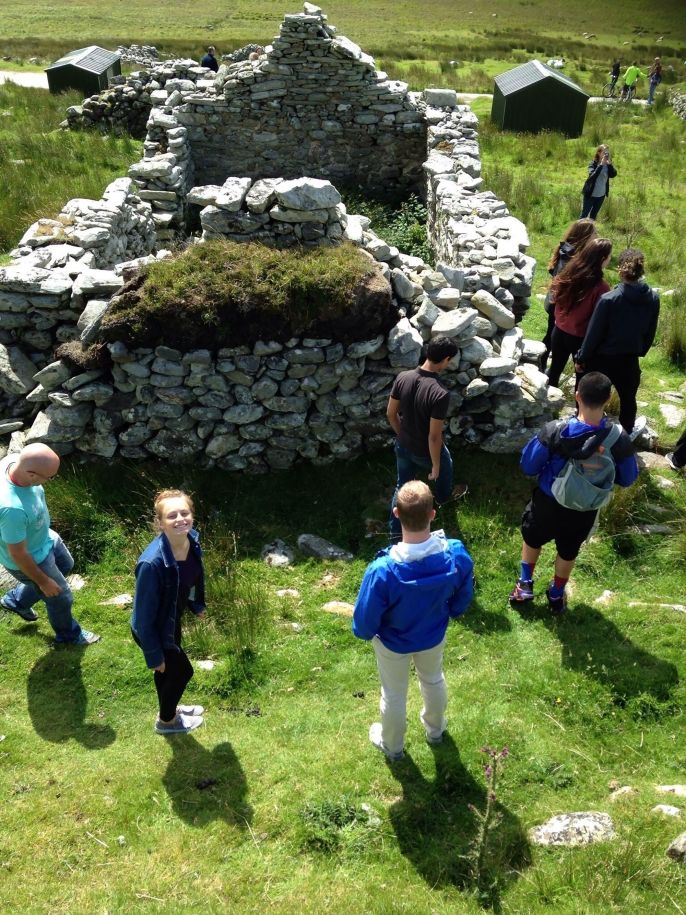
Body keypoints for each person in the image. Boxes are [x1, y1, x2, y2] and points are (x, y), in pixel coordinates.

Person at [352, 480, 474, 761]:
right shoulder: (454, 553)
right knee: (432, 680)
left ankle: (393, 747)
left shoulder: (383, 570)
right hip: (433, 634)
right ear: (433, 514)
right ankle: (436, 731)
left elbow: (364, 623)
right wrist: (452, 611)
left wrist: (369, 632)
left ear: (396, 513)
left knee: (394, 694)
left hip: (393, 643)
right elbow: (464, 590)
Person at [509, 372, 638, 615]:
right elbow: (628, 478)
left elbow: (528, 466)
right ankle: (556, 595)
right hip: (585, 509)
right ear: (608, 398)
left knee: (532, 538)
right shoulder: (617, 438)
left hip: (548, 502)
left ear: (577, 396)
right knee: (568, 551)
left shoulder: (556, 430)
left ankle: (525, 585)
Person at [0, 443, 99, 645]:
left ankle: (16, 601)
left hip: (45, 538)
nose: (52, 481)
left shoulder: (11, 462)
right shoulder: (12, 509)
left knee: (66, 565)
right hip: (32, 557)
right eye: (50, 477)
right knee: (60, 597)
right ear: (31, 474)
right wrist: (44, 581)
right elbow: (18, 554)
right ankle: (68, 636)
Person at [131, 490, 207, 735]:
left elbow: (194, 578)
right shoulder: (151, 564)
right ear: (160, 523)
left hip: (171, 621)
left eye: (184, 513)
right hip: (153, 629)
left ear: (192, 515)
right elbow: (143, 619)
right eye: (171, 515)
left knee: (169, 671)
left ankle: (170, 709)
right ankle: (166, 722)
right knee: (182, 671)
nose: (180, 519)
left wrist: (196, 604)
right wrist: (153, 654)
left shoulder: (192, 541)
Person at [575, 248, 660, 438]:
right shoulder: (653, 298)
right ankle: (624, 438)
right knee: (628, 400)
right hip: (629, 360)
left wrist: (582, 358)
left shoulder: (609, 299)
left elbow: (594, 333)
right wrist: (640, 350)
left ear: (621, 270)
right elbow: (650, 331)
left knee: (590, 396)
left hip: (602, 359)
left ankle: (583, 430)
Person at [386, 336, 461, 541]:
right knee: (446, 466)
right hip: (424, 450)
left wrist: (402, 434)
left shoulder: (403, 377)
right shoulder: (440, 393)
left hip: (402, 445)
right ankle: (444, 498)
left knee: (402, 485)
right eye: (449, 360)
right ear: (445, 359)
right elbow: (434, 437)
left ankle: (394, 535)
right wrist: (435, 465)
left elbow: (391, 414)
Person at [547, 237, 612, 389]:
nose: (610, 260)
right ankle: (579, 411)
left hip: (559, 331)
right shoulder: (601, 287)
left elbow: (555, 298)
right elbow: (598, 320)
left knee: (554, 370)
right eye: (609, 256)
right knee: (582, 378)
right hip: (580, 339)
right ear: (603, 259)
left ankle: (547, 406)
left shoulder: (569, 272)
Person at [540, 218, 597, 371]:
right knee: (555, 336)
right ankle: (544, 364)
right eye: (594, 234)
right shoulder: (575, 257)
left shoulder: (564, 249)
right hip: (562, 304)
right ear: (585, 236)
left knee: (550, 333)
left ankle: (542, 361)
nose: (596, 237)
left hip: (553, 300)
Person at [580, 144, 617, 220]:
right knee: (584, 216)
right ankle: (578, 231)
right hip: (590, 195)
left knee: (593, 216)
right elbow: (592, 176)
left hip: (601, 195)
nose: (606, 154)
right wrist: (601, 165)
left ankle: (590, 231)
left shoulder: (608, 164)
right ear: (599, 153)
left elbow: (613, 174)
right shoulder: (593, 164)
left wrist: (610, 165)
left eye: (607, 152)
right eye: (604, 152)